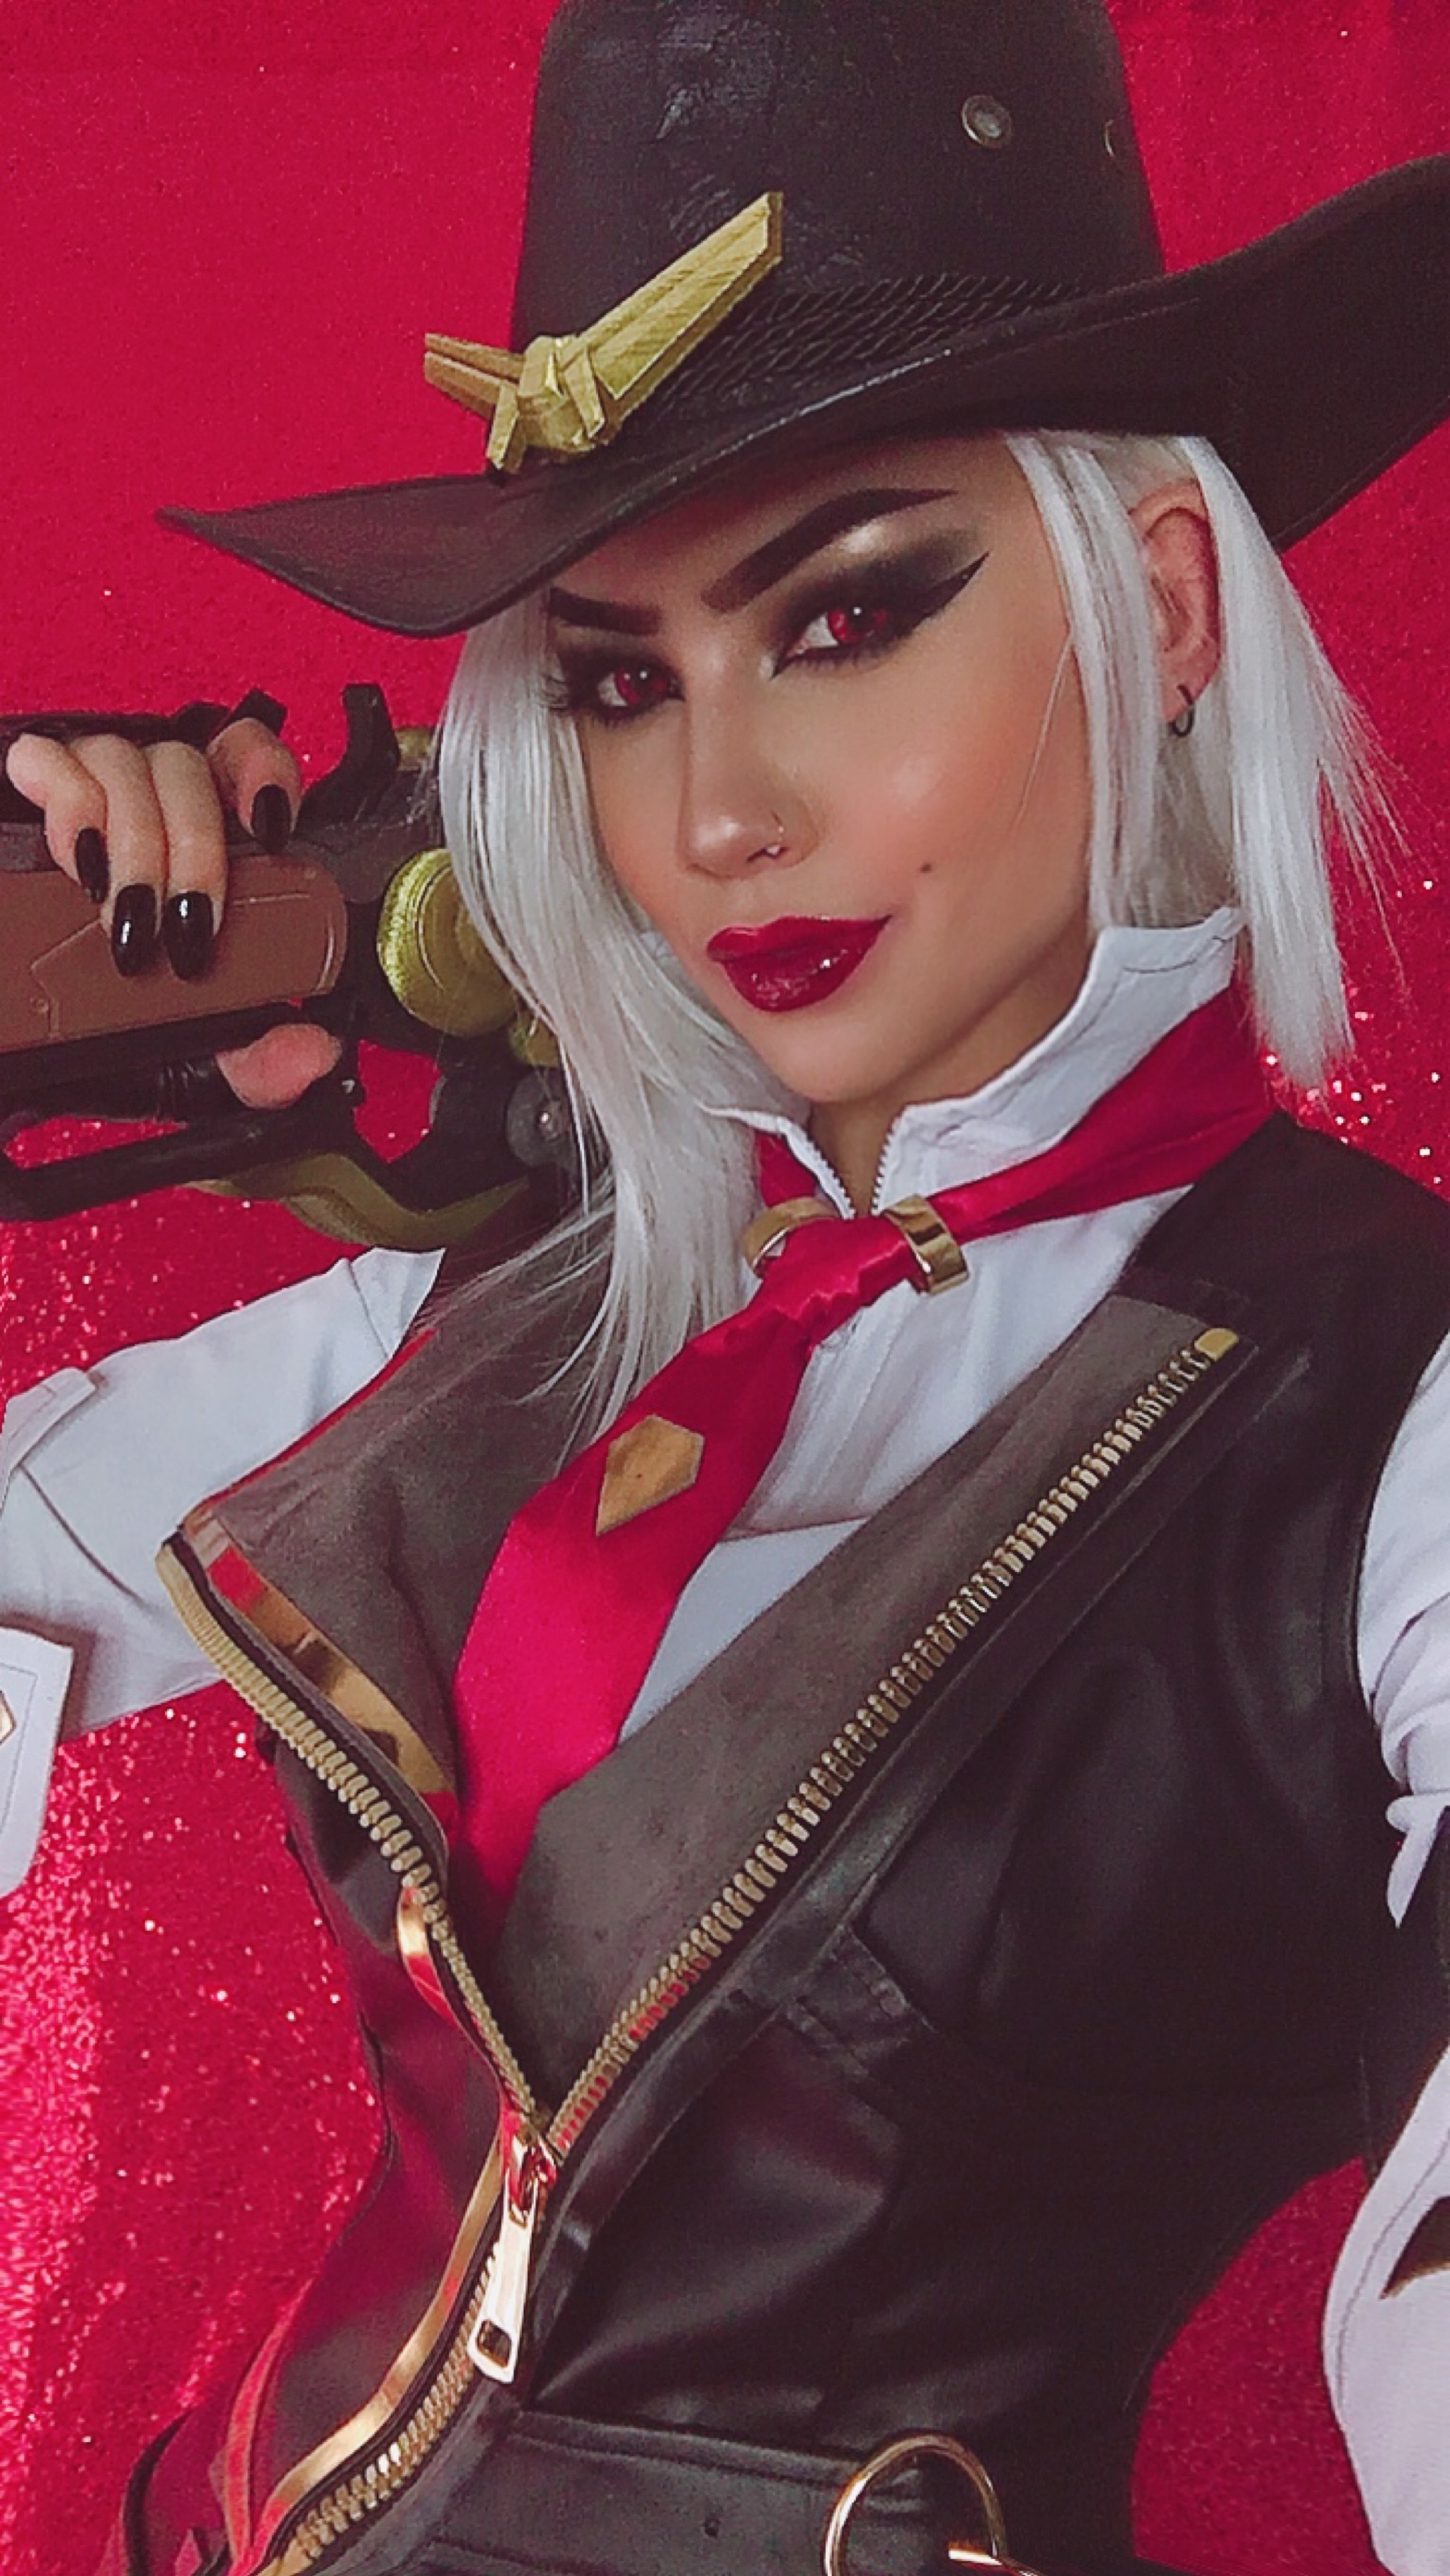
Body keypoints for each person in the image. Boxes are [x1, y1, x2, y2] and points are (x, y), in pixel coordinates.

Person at [4, 4, 1450, 2571]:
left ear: (1163, 603)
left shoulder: (1397, 1405)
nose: (716, 814)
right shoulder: (503, 1318)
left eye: (848, 617)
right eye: (616, 683)